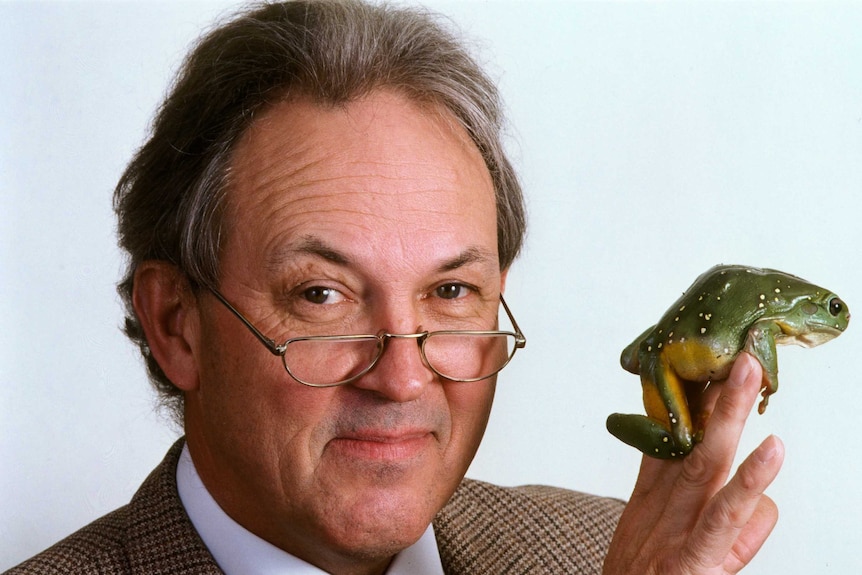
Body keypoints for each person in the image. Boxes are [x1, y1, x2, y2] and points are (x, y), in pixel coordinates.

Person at [5, 1, 784, 574]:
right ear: (177, 324)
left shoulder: (606, 553)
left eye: (450, 292)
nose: (404, 376)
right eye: (322, 294)